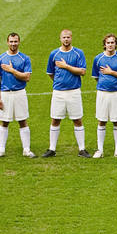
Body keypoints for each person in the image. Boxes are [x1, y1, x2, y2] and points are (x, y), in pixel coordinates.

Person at [46, 29, 88, 157]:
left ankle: (82, 149)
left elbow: (82, 71)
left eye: (68, 37)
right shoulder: (54, 54)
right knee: (55, 119)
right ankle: (52, 149)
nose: (66, 39)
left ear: (71, 38)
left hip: (74, 91)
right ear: (60, 38)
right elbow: (50, 73)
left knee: (77, 119)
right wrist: (60, 82)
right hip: (58, 92)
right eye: (64, 37)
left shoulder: (78, 53)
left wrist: (66, 67)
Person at [0, 32, 33, 157]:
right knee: (4, 121)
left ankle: (26, 150)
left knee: (22, 121)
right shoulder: (0, 59)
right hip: (5, 94)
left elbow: (27, 77)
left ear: (19, 42)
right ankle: (1, 150)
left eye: (15, 41)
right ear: (7, 42)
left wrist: (12, 70)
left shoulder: (24, 58)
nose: (13, 44)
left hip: (20, 93)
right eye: (11, 41)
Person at [91, 33, 117, 159]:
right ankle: (100, 150)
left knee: (116, 121)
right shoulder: (98, 58)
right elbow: (96, 77)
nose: (110, 45)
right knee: (101, 120)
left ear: (116, 44)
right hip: (102, 93)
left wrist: (111, 72)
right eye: (108, 43)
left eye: (112, 42)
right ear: (104, 44)